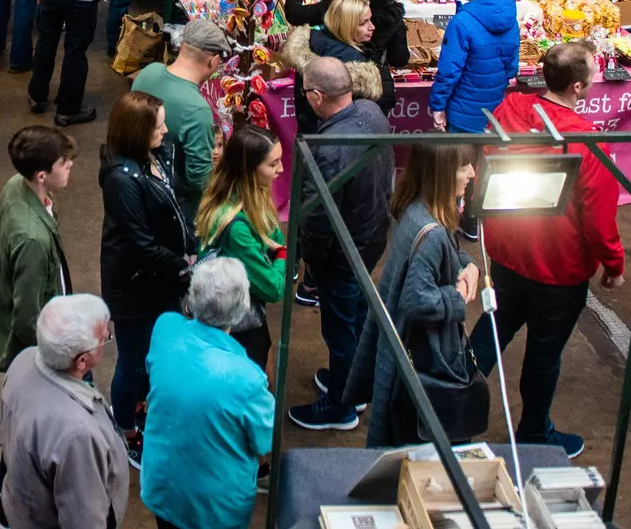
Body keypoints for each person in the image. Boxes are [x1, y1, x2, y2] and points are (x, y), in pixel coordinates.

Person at [471, 42, 625, 458]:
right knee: (543, 354)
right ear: (578, 86)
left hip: (507, 252)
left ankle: (447, 406)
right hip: (558, 268)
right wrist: (614, 264)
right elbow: (598, 216)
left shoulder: (509, 110)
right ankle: (535, 432)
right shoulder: (587, 141)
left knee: (490, 331)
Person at [340, 142, 480, 447]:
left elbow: (437, 263)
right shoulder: (431, 231)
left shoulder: (416, 209)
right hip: (422, 366)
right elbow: (418, 300)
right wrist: (456, 298)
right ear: (441, 173)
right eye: (463, 166)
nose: (471, 173)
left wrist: (468, 265)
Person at [288, 57, 396, 431]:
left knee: (340, 329)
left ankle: (341, 406)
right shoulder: (370, 110)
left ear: (317, 96)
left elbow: (316, 218)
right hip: (371, 236)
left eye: (306, 94)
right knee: (359, 316)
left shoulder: (329, 148)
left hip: (343, 251)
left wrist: (312, 262)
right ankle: (353, 383)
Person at [139, 258, 277, 529]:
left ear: (192, 299)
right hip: (215, 509)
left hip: (164, 487)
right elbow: (266, 439)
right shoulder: (248, 378)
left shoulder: (165, 329)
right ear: (241, 310)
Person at [97, 90, 194, 456]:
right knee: (133, 362)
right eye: (158, 125)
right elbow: (141, 244)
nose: (165, 130)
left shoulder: (154, 157)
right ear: (137, 131)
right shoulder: (123, 181)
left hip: (160, 279)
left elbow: (173, 204)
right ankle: (125, 427)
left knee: (151, 355)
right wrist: (186, 267)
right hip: (135, 288)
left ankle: (139, 407)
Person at [0, 294, 129, 529]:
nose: (108, 336)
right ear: (82, 361)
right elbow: (83, 519)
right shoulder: (77, 435)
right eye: (104, 338)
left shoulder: (23, 360)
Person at [195, 124, 286, 368]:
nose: (282, 169)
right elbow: (274, 287)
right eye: (273, 164)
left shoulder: (243, 193)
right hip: (237, 333)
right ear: (249, 169)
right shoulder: (236, 228)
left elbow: (273, 232)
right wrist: (281, 256)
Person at [0, 125, 77, 371]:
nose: (70, 164)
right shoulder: (32, 241)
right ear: (41, 175)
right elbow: (28, 317)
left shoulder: (16, 183)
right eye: (63, 162)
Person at [129, 18, 227, 207]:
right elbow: (199, 179)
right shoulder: (198, 110)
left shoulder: (148, 72)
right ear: (213, 61)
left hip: (139, 187)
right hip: (175, 205)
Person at [430, 0, 520, 132]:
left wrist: (438, 106)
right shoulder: (512, 21)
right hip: (494, 111)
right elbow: (512, 68)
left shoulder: (461, 22)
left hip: (462, 113)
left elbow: (449, 72)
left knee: (461, 159)